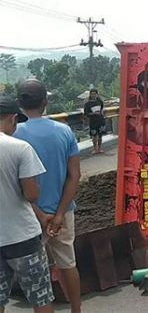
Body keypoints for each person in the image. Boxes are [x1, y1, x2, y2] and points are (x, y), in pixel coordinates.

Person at [14, 80, 81, 313]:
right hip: (64, 212)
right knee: (68, 264)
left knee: (37, 274)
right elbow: (75, 175)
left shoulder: (14, 136)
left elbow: (17, 186)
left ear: (19, 104)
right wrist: (60, 213)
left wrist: (41, 215)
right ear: (45, 101)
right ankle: (76, 310)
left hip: (29, 216)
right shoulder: (64, 131)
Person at [0, 96, 55, 313]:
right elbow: (31, 195)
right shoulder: (20, 148)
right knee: (39, 297)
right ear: (13, 119)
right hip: (22, 237)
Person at [83, 89, 106, 154]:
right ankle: (95, 149)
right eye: (92, 94)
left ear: (97, 94)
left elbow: (101, 109)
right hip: (93, 121)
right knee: (94, 135)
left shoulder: (100, 101)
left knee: (100, 135)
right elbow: (86, 113)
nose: (93, 95)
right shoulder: (87, 104)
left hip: (100, 120)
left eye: (95, 94)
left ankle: (99, 148)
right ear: (90, 95)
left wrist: (101, 114)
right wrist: (93, 114)